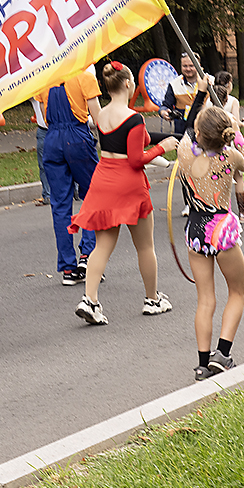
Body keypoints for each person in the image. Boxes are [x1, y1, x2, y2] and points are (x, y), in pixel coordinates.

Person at [70, 61, 178, 326]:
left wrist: (156, 142)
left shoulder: (101, 115)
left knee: (102, 246)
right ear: (128, 84)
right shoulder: (134, 118)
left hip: (103, 180)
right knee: (145, 245)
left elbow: (129, 141)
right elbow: (135, 159)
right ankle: (152, 299)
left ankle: (90, 299)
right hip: (129, 185)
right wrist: (163, 147)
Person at [177, 100, 244, 381]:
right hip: (221, 228)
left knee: (205, 299)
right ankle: (223, 354)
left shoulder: (185, 154)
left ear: (198, 135)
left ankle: (201, 363)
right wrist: (238, 137)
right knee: (238, 292)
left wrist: (201, 94)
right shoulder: (230, 156)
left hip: (196, 229)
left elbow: (187, 129)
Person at [38, 66, 100, 285]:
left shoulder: (45, 79)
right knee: (93, 196)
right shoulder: (85, 77)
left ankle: (67, 268)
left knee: (60, 204)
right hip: (77, 136)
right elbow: (98, 118)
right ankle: (89, 256)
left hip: (52, 139)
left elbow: (44, 116)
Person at [211, 71, 244, 223]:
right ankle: (242, 213)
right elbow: (237, 126)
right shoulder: (232, 102)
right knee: (238, 177)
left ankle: (219, 212)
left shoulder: (209, 107)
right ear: (228, 84)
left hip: (213, 148)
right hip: (229, 147)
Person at [160, 54, 201, 136]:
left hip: (205, 130)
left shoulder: (210, 82)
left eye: (191, 66)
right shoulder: (174, 84)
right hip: (182, 132)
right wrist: (164, 113)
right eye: (185, 66)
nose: (188, 69)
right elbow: (165, 105)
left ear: (198, 65)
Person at [31, 96, 51, 206]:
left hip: (58, 129)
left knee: (66, 160)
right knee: (43, 164)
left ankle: (75, 189)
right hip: (43, 130)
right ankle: (47, 195)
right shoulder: (36, 92)